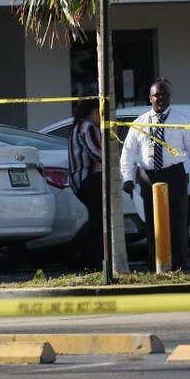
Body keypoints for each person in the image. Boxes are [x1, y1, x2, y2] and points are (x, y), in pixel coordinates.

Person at [120, 79, 190, 271]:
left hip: (174, 175)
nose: (161, 99)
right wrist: (128, 178)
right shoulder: (139, 123)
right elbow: (128, 152)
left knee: (177, 221)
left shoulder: (180, 121)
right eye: (157, 95)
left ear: (170, 97)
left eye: (165, 95)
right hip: (148, 177)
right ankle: (156, 263)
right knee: (152, 222)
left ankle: (181, 264)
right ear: (150, 98)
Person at [67, 98, 104, 269]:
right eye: (100, 112)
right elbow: (96, 153)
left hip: (80, 182)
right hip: (90, 179)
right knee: (98, 222)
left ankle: (91, 260)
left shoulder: (76, 128)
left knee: (95, 220)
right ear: (94, 112)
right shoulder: (87, 127)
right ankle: (95, 262)